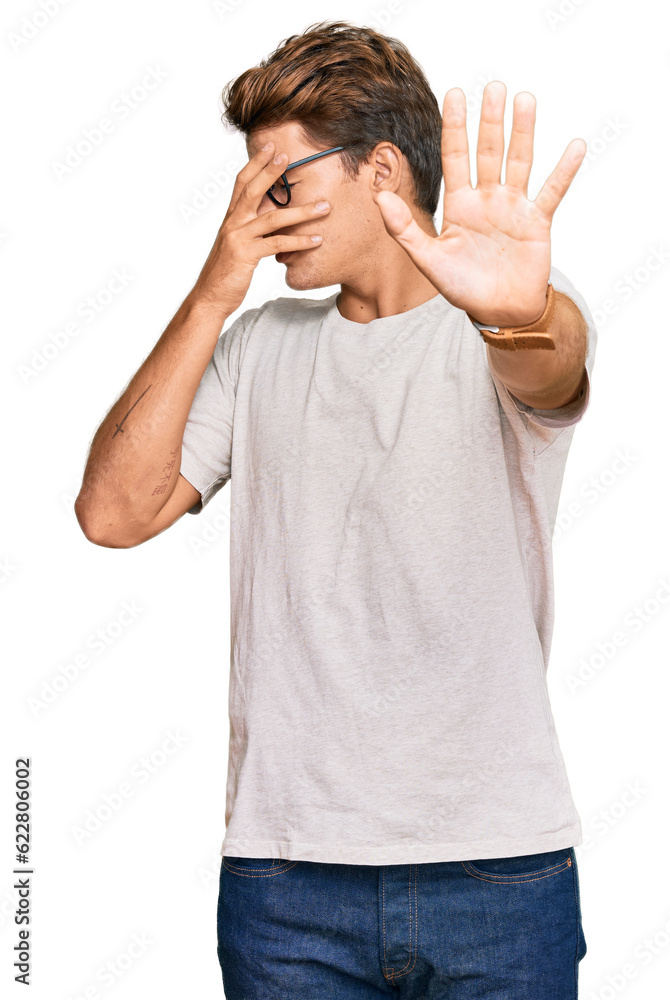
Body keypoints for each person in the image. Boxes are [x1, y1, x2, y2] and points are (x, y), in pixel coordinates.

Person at [75, 20, 596, 999]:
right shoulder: (259, 346)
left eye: (281, 183)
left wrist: (513, 311)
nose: (255, 216)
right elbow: (112, 513)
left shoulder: (506, 315)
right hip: (286, 879)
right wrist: (213, 292)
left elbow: (551, 361)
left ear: (382, 170)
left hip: (498, 869)